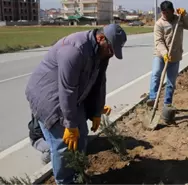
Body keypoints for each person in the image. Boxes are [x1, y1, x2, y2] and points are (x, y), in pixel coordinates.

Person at [25, 24, 126, 185]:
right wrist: (70, 125)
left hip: (68, 95)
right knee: (63, 143)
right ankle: (64, 181)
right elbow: (67, 90)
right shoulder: (74, 50)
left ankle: (77, 173)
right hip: (48, 95)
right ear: (101, 39)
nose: (111, 54)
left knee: (81, 135)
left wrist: (96, 111)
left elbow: (99, 82)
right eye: (110, 50)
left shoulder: (102, 53)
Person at [146, 1, 188, 118]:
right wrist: (164, 53)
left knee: (170, 81)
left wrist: (185, 15)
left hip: (175, 56)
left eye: (167, 12)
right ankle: (153, 99)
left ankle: (167, 104)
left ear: (172, 11)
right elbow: (158, 41)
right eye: (163, 13)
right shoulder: (159, 24)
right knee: (156, 74)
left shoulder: (180, 20)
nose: (165, 15)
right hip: (160, 55)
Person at [28, 106, 112, 165]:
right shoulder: (47, 108)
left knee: (82, 141)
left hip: (62, 131)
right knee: (59, 149)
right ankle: (47, 158)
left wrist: (96, 110)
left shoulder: (71, 102)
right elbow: (48, 134)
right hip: (40, 138)